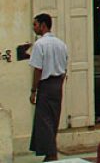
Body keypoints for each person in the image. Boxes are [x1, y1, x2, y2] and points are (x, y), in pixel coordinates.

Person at [28, 13, 68, 162]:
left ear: (43, 25)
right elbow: (64, 69)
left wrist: (34, 90)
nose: (34, 28)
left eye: (35, 25)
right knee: (53, 118)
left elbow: (38, 69)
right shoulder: (61, 44)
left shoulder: (40, 44)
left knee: (44, 120)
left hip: (46, 85)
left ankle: (51, 154)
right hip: (57, 85)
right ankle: (50, 153)